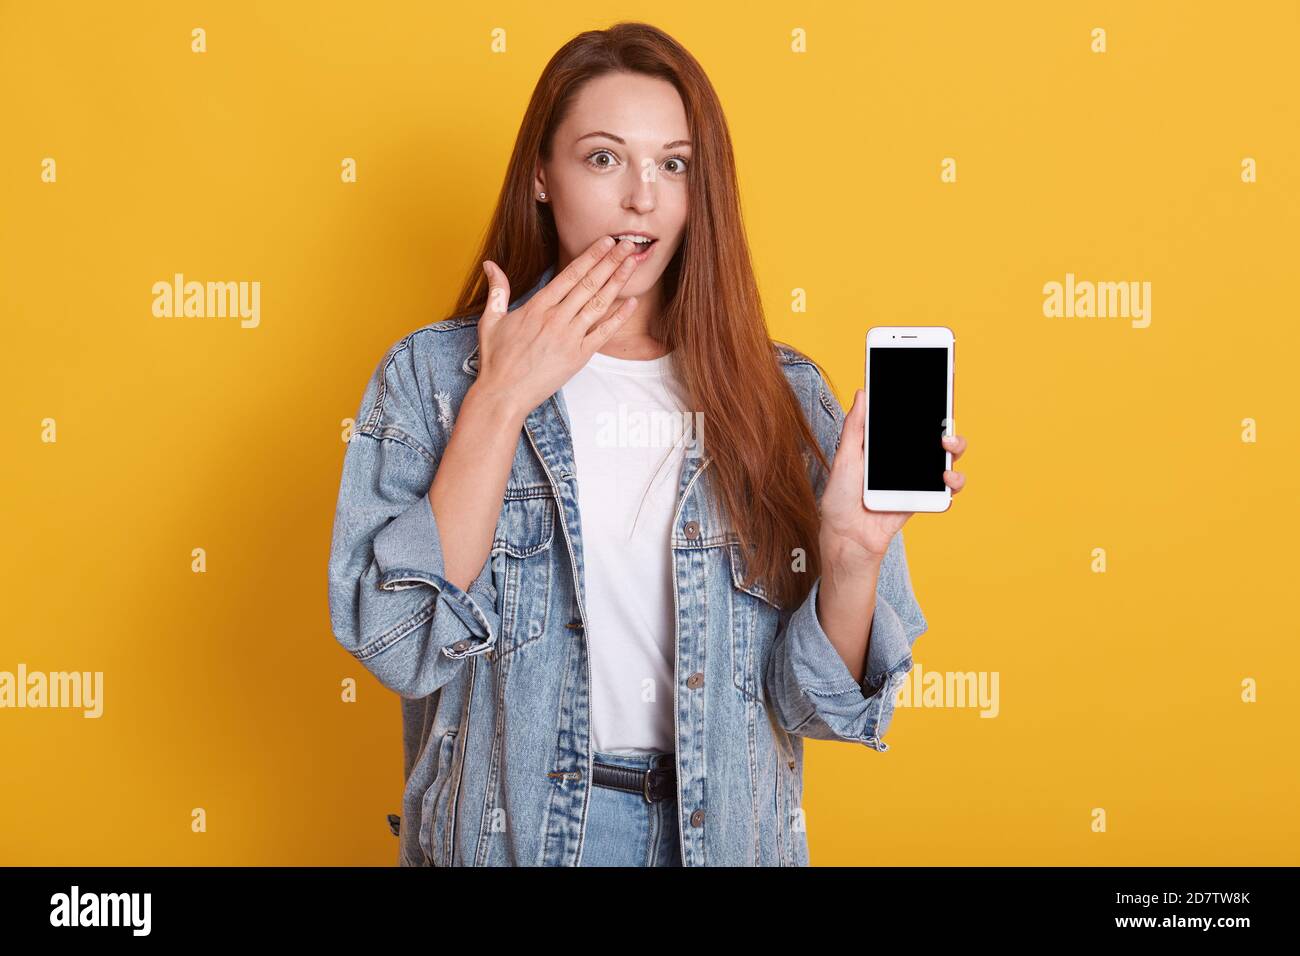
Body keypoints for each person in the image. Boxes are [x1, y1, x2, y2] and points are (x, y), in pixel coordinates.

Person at [327, 20, 968, 867]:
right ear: (542, 179)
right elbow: (397, 638)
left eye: (675, 164)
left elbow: (820, 708)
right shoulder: (433, 378)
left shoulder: (782, 396)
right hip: (515, 840)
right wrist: (501, 397)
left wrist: (849, 560)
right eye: (603, 158)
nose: (644, 197)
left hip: (723, 841)